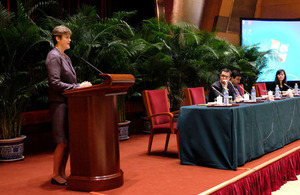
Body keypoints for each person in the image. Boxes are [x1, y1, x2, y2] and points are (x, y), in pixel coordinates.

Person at [46, 25, 92, 185]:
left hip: (69, 103)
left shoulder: (66, 57)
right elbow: (55, 83)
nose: (70, 40)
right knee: (62, 140)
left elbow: (68, 81)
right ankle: (55, 175)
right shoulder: (53, 56)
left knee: (68, 141)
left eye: (69, 37)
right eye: (67, 37)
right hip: (59, 104)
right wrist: (77, 87)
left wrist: (80, 84)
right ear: (57, 38)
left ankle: (62, 173)